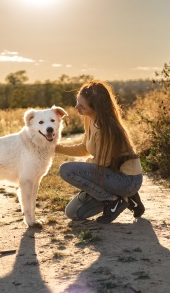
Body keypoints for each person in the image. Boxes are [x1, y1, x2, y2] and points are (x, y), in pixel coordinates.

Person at [56, 80, 145, 224]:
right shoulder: (90, 119)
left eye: (82, 105)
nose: (76, 107)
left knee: (66, 170)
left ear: (96, 107)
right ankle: (128, 199)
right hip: (113, 176)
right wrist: (56, 148)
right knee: (73, 213)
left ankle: (113, 200)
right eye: (77, 101)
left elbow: (103, 163)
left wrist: (87, 165)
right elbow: (85, 148)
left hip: (127, 180)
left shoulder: (105, 128)